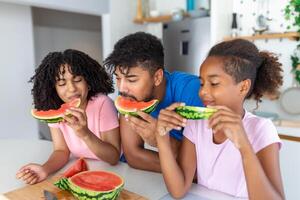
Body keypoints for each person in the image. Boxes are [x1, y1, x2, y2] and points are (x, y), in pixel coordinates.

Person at [156, 39, 285, 199]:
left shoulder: (261, 129)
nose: (202, 92)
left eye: (214, 83)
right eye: (202, 83)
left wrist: (244, 145)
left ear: (243, 87)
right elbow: (178, 190)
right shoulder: (196, 124)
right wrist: (162, 138)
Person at [16, 49, 120, 184]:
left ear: (88, 81)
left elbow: (113, 157)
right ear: (53, 88)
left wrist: (85, 133)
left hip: (114, 170)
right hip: (82, 170)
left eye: (77, 79)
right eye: (62, 83)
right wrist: (44, 169)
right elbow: (61, 150)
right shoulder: (55, 109)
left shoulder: (102, 103)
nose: (72, 88)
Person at [104, 32, 203, 172]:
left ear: (157, 77)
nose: (121, 88)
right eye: (118, 78)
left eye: (132, 80)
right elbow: (133, 155)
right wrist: (184, 170)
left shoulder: (193, 91)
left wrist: (161, 140)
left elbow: (206, 162)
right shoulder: (129, 96)